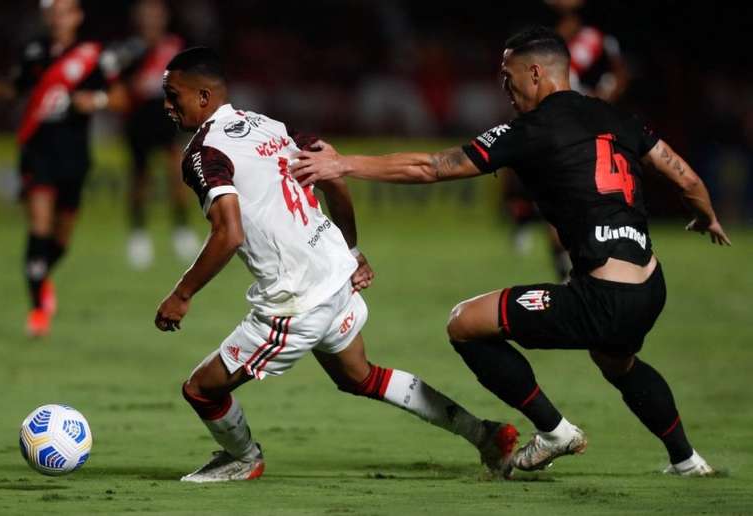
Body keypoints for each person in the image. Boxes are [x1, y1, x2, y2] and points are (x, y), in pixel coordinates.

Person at [290, 26, 730, 477]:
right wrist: (707, 216)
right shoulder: (618, 118)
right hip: (650, 288)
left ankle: (554, 430)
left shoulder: (531, 130)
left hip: (602, 297)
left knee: (465, 324)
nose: (504, 87)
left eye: (508, 75)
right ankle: (687, 460)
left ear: (536, 73)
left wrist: (343, 164)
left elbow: (431, 167)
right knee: (617, 361)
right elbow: (686, 178)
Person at [153, 47, 517, 483]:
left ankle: (243, 458)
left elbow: (228, 234)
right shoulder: (268, 125)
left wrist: (182, 294)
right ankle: (485, 435)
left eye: (174, 95)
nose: (167, 106)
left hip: (296, 298)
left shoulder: (203, 153)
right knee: (360, 376)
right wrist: (352, 251)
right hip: (334, 276)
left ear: (205, 97)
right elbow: (333, 176)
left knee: (201, 389)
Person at [0, 0, 126, 337]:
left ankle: (40, 274)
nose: (59, 18)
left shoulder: (94, 55)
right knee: (39, 224)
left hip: (74, 156)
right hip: (37, 151)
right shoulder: (34, 51)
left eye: (65, 11)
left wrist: (96, 101)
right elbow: (16, 88)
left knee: (61, 237)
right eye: (54, 12)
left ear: (78, 16)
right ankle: (37, 310)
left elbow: (119, 97)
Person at [503, 0, 631, 281]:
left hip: (582, 125)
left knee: (571, 195)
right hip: (550, 125)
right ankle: (553, 252)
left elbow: (620, 72)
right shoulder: (543, 46)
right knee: (550, 189)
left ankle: (572, 262)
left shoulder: (596, 41)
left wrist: (605, 93)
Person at [111, 0, 197, 269]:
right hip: (138, 117)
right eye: (146, 15)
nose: (151, 19)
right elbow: (116, 82)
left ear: (164, 17)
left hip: (169, 116)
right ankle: (138, 234)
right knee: (139, 177)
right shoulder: (128, 49)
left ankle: (182, 230)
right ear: (138, 18)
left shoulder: (176, 45)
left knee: (178, 175)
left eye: (156, 15)